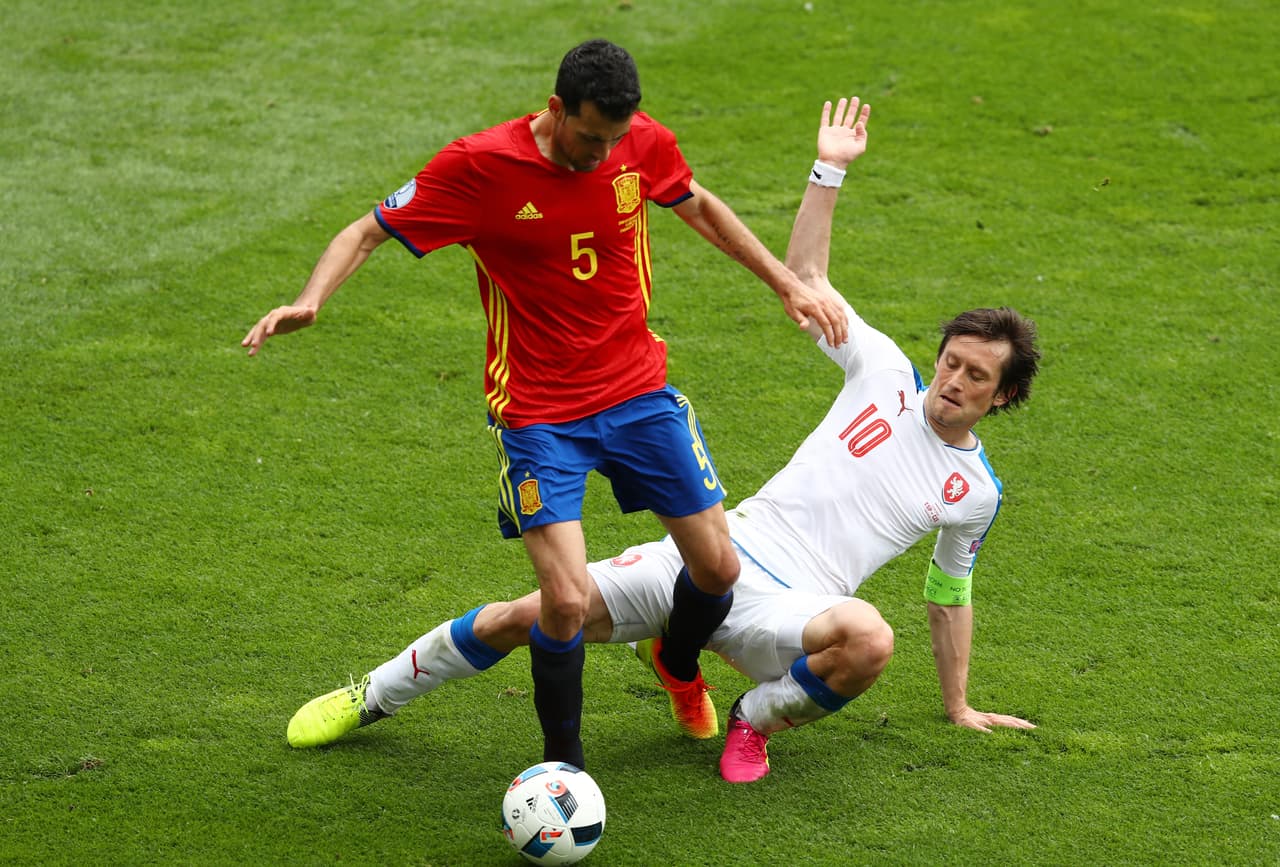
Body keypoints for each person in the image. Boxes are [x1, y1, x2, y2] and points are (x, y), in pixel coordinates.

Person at [285, 96, 1042, 783]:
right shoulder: (882, 371)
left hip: (795, 610)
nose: (952, 380)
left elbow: (950, 593)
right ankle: (372, 693)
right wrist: (828, 170)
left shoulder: (976, 493)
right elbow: (808, 277)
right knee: (534, 614)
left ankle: (753, 720)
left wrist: (959, 705)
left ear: (1002, 396)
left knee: (870, 639)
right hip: (719, 552)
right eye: (951, 361)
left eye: (975, 375)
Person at [244, 40, 848, 769]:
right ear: (556, 108)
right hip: (540, 417)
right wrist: (311, 299)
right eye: (589, 137)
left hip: (638, 394)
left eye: (614, 139)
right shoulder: (479, 167)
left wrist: (784, 282)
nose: (602, 154)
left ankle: (677, 661)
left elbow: (699, 205)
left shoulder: (641, 141)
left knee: (718, 569)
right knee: (563, 601)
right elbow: (368, 231)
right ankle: (564, 765)